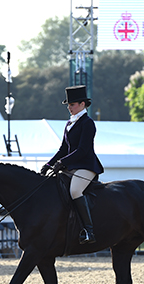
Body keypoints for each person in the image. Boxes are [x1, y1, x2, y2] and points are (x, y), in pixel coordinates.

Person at [40, 85, 104, 244]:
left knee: (75, 190)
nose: (69, 107)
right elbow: (63, 149)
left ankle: (89, 231)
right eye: (68, 104)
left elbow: (83, 150)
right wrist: (49, 164)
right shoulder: (70, 123)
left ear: (82, 104)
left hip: (86, 166)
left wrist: (63, 162)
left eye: (72, 104)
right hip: (71, 166)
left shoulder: (87, 123)